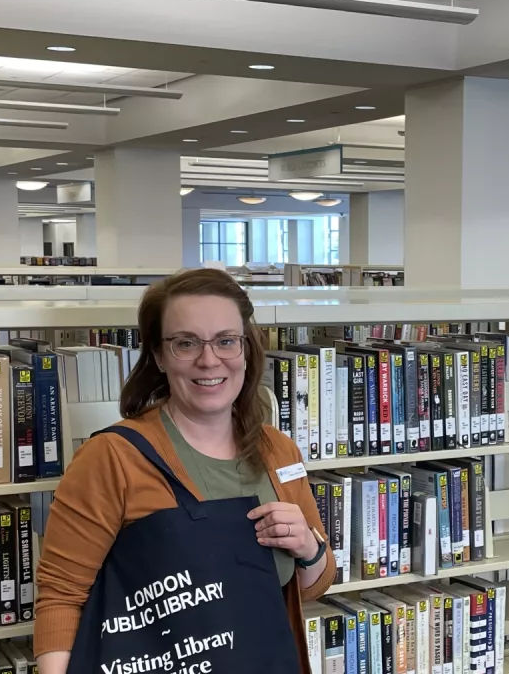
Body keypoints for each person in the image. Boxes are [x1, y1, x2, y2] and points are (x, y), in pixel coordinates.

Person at [34, 268, 334, 674]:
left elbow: (313, 586)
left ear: (246, 349)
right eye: (186, 343)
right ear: (158, 355)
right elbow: (61, 597)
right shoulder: (111, 457)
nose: (209, 360)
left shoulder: (279, 452)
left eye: (226, 341)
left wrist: (309, 550)